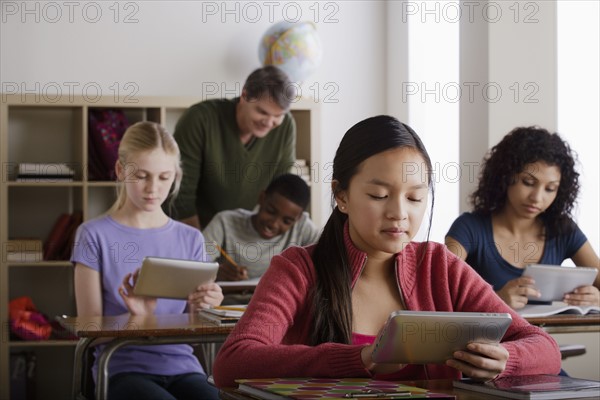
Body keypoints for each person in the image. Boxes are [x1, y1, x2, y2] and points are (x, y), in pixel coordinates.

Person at [212, 116, 561, 388]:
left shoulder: (439, 266)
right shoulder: (299, 269)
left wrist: (506, 359)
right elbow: (233, 363)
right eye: (379, 195)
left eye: (414, 198)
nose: (399, 213)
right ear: (342, 195)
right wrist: (358, 359)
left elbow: (544, 348)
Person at [71, 121, 224, 400]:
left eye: (164, 177)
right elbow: (89, 329)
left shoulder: (191, 239)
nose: (153, 188)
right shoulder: (92, 235)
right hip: (119, 369)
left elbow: (194, 326)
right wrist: (136, 319)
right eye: (142, 175)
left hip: (184, 367)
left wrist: (207, 308)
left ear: (175, 176)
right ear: (120, 171)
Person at [445, 127, 600, 310]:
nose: (537, 197)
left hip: (544, 338)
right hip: (485, 339)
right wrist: (495, 301)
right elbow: (439, 295)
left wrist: (597, 299)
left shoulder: (563, 229)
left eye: (550, 189)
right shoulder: (468, 228)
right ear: (506, 176)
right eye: (528, 182)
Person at [169, 65, 297, 229]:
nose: (269, 122)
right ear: (244, 95)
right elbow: (182, 194)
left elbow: (281, 189)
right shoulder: (199, 119)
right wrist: (200, 247)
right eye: (262, 112)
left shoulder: (286, 125)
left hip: (250, 233)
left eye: (278, 115)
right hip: (197, 230)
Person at [203, 173, 320, 282]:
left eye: (286, 221)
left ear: (298, 219)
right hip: (227, 302)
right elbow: (196, 266)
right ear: (262, 198)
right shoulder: (225, 222)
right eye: (270, 211)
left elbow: (328, 261)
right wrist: (216, 272)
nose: (274, 224)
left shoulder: (303, 227)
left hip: (280, 303)